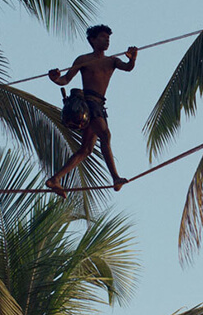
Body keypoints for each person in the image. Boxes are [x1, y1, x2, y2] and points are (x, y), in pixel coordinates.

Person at [45, 24, 137, 197]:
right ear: (92, 40)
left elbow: (128, 68)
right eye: (102, 37)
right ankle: (116, 178)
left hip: (99, 106)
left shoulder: (112, 61)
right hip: (88, 104)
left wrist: (132, 59)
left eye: (108, 38)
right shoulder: (83, 60)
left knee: (86, 150)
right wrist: (55, 79)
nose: (107, 40)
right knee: (105, 135)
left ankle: (55, 179)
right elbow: (65, 79)